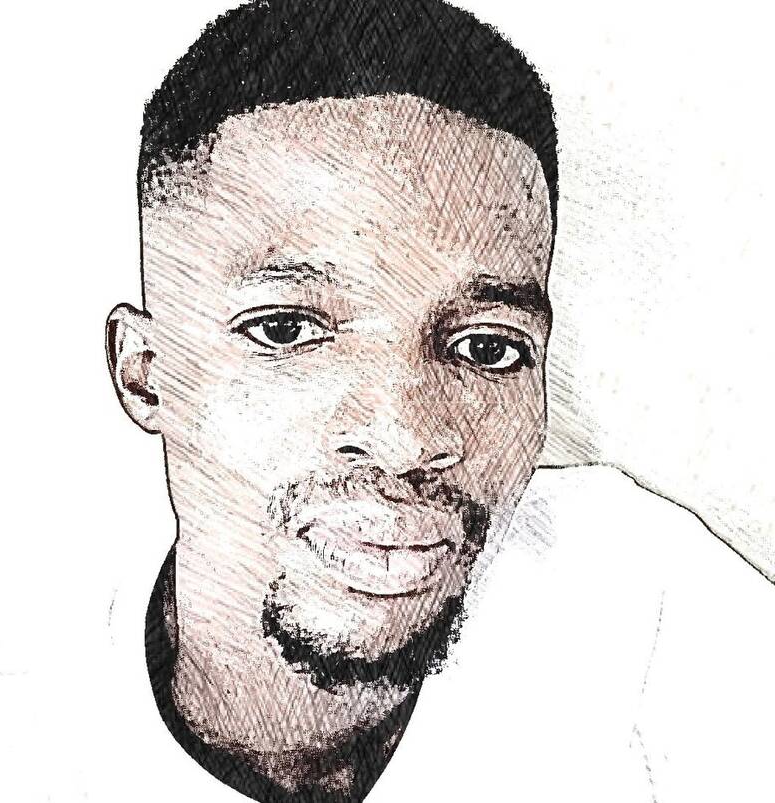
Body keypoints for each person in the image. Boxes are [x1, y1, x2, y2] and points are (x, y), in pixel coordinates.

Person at [106, 1, 775, 801]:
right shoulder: (15, 719)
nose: (403, 437)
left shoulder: (635, 597)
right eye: (286, 330)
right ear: (147, 373)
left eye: (487, 348)